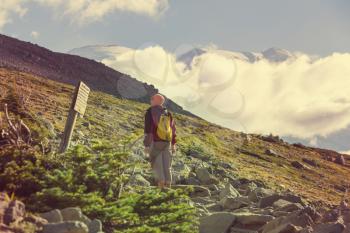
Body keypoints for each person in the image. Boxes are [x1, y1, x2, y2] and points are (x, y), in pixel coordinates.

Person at [144, 94, 176, 188]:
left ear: (154, 100)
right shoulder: (168, 113)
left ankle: (161, 190)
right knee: (167, 165)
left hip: (156, 142)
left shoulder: (150, 111)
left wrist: (147, 145)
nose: (150, 100)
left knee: (157, 165)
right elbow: (173, 129)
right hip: (167, 142)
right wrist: (173, 144)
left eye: (151, 99)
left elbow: (148, 129)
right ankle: (168, 188)